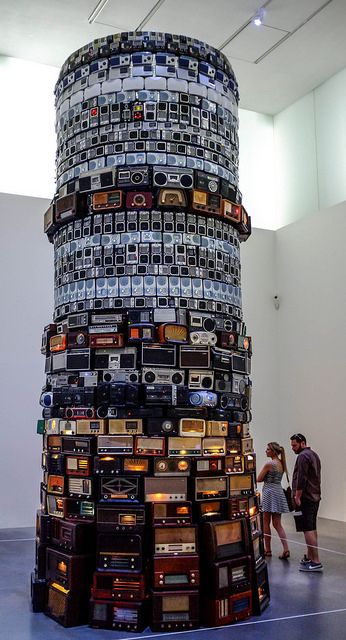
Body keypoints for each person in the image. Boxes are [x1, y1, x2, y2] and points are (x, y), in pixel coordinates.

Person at [290, 433, 322, 572]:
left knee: (307, 529)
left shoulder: (302, 456)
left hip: (306, 498)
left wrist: (297, 496)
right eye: (291, 445)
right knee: (312, 528)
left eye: (295, 445)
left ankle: (315, 561)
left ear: (302, 443)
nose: (293, 448)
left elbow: (301, 478)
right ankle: (310, 557)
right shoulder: (313, 454)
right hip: (314, 496)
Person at [257, 442, 290, 559]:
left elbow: (259, 479)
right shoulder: (281, 463)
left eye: (267, 449)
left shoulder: (269, 464)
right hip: (278, 492)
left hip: (269, 493)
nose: (266, 451)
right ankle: (286, 548)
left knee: (265, 522)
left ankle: (268, 550)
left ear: (273, 451)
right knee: (277, 524)